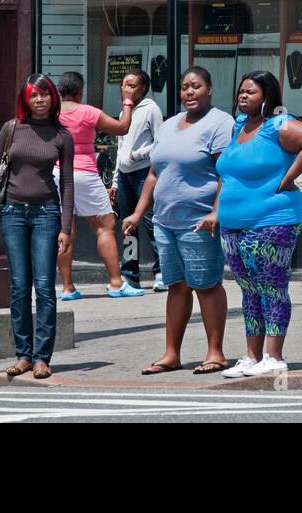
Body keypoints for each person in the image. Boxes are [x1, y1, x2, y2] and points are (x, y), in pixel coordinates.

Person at [204, 71, 302, 378]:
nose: (243, 96)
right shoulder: (238, 127)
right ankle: (251, 357)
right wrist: (217, 211)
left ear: (267, 97)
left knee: (271, 286)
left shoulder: (277, 126)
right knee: (248, 289)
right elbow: (227, 175)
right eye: (241, 91)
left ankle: (274, 356)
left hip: (273, 219)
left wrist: (289, 178)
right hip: (233, 225)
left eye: (251, 92)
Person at [123, 66, 236, 375]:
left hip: (200, 221)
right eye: (185, 86)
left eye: (196, 86)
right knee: (176, 286)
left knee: (207, 285)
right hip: (164, 221)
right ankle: (171, 354)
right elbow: (154, 173)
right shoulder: (170, 125)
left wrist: (216, 211)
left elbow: (226, 172)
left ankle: (216, 352)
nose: (189, 92)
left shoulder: (220, 123)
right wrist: (137, 212)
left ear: (209, 89)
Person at [0, 74, 74, 380]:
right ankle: (23, 355)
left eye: (45, 95)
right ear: (26, 100)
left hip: (47, 215)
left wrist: (65, 227)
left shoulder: (61, 135)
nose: (40, 100)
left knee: (44, 287)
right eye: (34, 96)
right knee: (18, 288)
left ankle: (42, 357)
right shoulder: (11, 128)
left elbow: (67, 184)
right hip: (12, 213)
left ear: (53, 98)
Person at [55, 71, 145, 298]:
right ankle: (116, 283)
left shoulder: (50, 112)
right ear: (80, 92)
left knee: (65, 230)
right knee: (104, 226)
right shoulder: (87, 112)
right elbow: (123, 127)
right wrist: (127, 101)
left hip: (56, 173)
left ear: (59, 91)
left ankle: (66, 288)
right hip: (84, 173)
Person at [110, 67, 165, 291]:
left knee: (152, 222)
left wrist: (138, 154)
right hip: (124, 176)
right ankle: (130, 274)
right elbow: (120, 147)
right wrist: (114, 180)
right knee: (127, 227)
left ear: (143, 89)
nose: (126, 89)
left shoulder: (151, 109)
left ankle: (161, 272)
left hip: (144, 173)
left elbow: (161, 143)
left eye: (132, 85)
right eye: (123, 85)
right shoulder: (125, 110)